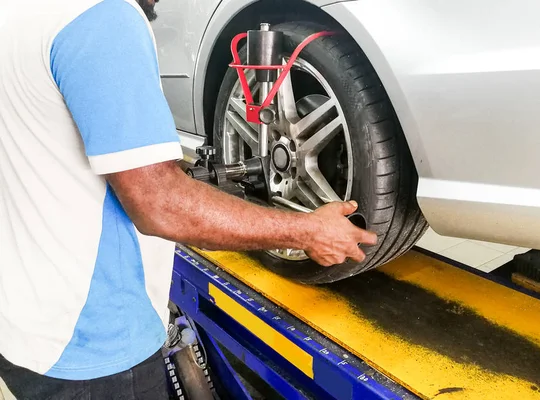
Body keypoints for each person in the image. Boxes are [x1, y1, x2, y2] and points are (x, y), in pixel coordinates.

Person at [0, 0, 377, 398]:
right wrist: (307, 232)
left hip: (24, 327)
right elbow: (159, 203)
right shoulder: (101, 16)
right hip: (93, 347)